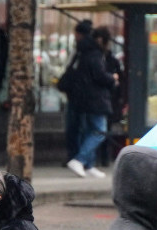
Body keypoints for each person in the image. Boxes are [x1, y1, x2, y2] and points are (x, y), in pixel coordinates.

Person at [63, 25, 117, 179]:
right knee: (100, 131)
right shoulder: (94, 54)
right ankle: (80, 160)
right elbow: (99, 75)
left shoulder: (83, 52)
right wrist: (112, 78)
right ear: (101, 40)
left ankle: (88, 165)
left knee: (89, 130)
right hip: (96, 99)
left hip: (84, 98)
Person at [56, 20, 93, 164]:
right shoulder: (92, 50)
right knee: (84, 128)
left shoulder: (80, 50)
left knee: (75, 128)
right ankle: (81, 158)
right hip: (84, 95)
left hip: (76, 95)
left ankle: (76, 157)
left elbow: (70, 69)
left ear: (79, 34)